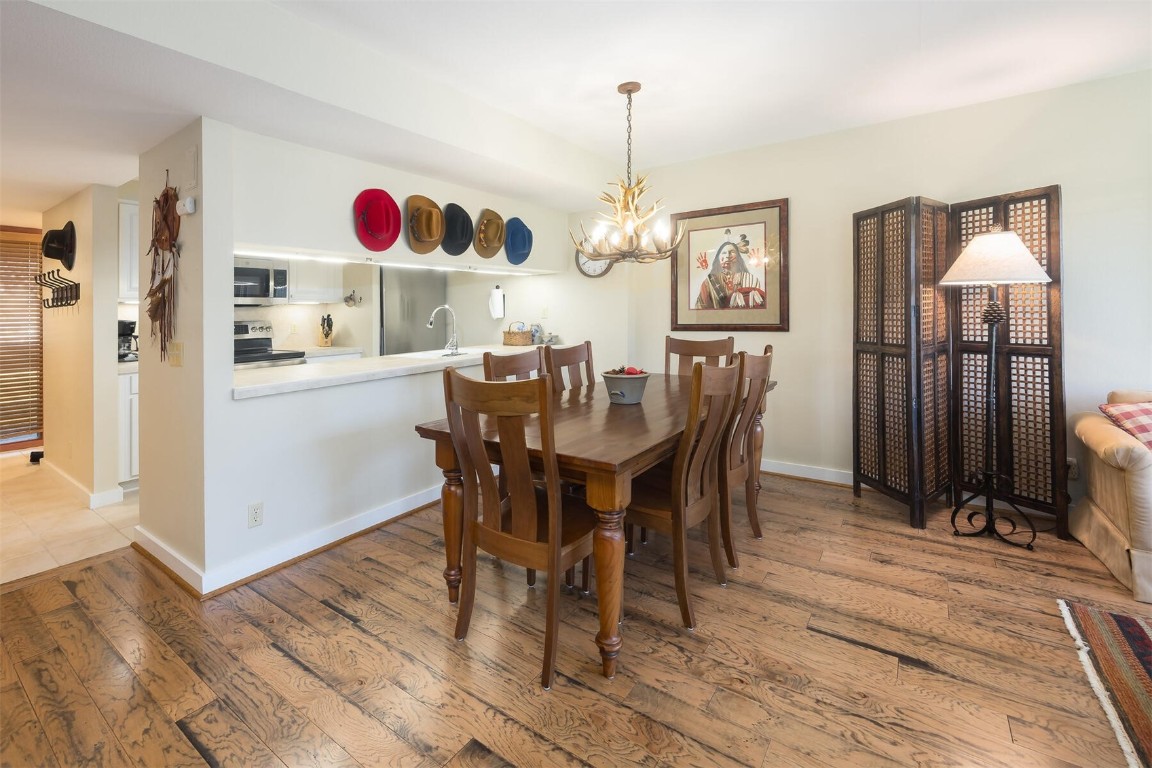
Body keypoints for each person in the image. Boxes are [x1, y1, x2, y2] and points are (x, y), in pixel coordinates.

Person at [695, 235, 765, 309]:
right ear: (718, 258)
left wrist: (759, 270)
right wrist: (705, 272)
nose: (728, 255)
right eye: (724, 253)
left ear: (738, 257)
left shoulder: (750, 279)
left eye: (732, 252)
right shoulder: (709, 282)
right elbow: (700, 309)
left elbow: (760, 305)